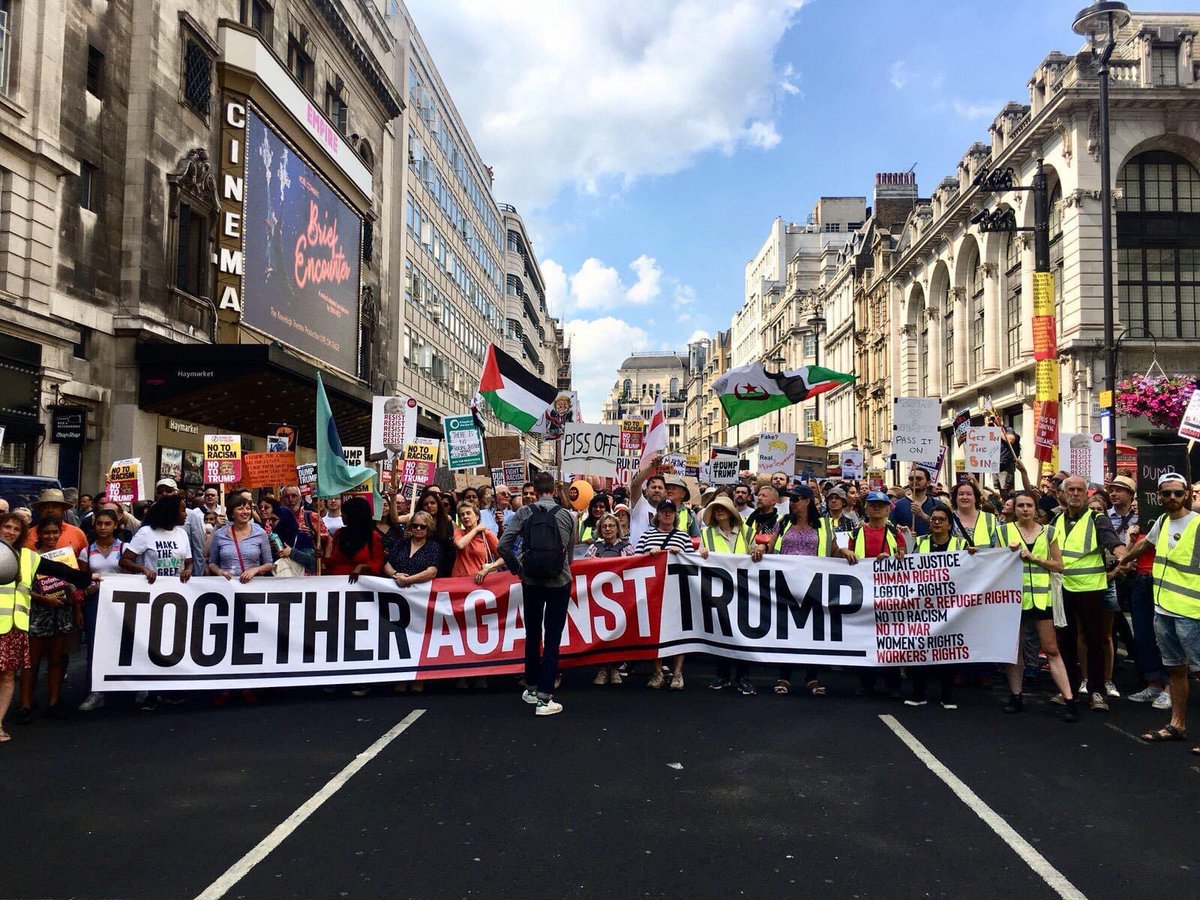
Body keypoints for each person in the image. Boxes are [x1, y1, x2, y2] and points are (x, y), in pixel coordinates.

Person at [1117, 473, 1200, 753]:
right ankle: (1177, 725)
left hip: (1192, 613)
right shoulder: (1163, 522)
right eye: (1167, 494)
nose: (1172, 498)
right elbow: (1145, 545)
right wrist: (1122, 561)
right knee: (1175, 670)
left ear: (1187, 493)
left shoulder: (1198, 524)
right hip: (1163, 609)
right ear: (1158, 496)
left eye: (1178, 493)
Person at [1, 513, 90, 738]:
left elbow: (60, 571)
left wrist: (89, 579)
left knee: (9, 676)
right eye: (6, 527)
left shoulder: (28, 557)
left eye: (16, 529)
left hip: (14, 626)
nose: (10, 532)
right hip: (15, 624)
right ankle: (19, 709)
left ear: (22, 534)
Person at [498, 471, 576, 717]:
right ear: (554, 490)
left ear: (536, 490)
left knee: (532, 633)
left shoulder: (524, 512)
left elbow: (502, 545)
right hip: (559, 581)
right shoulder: (567, 516)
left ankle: (531, 688)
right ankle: (545, 697)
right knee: (553, 637)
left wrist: (518, 569)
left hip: (531, 581)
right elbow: (570, 554)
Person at [995, 491, 1078, 721]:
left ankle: (1069, 699)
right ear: (1014, 509)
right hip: (1014, 599)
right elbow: (993, 563)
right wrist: (1006, 553)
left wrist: (1034, 558)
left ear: (1036, 508)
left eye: (1028, 505)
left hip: (1042, 599)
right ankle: (1016, 695)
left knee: (1051, 649)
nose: (1024, 509)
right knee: (1014, 651)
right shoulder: (1003, 532)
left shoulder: (1049, 532)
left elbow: (1059, 566)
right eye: (1020, 505)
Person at [1055, 475, 1126, 712]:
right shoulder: (1056, 520)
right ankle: (1069, 690)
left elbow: (1111, 540)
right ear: (1063, 494)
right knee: (1065, 641)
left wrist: (1122, 554)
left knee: (1095, 642)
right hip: (1063, 588)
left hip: (1090, 588)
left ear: (1087, 494)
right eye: (1071, 489)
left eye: (1079, 490)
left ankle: (1097, 692)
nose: (1075, 493)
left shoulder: (1097, 518)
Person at [906, 506, 976, 710]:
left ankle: (947, 695)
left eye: (941, 519)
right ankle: (918, 693)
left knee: (948, 651)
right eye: (934, 519)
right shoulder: (920, 542)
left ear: (949, 523)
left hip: (951, 606)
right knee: (919, 650)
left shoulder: (961, 544)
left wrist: (973, 555)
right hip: (923, 606)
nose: (936, 522)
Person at [764, 486, 827, 698]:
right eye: (790, 499)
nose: (792, 503)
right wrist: (760, 550)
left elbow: (833, 549)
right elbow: (771, 546)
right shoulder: (783, 523)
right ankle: (785, 676)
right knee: (787, 630)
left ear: (808, 501)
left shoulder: (823, 525)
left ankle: (812, 677)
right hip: (786, 585)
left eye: (797, 499)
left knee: (811, 632)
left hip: (813, 586)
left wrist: (844, 551)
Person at [19, 518, 85, 720]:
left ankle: (54, 701)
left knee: (57, 659)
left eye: (55, 532)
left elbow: (73, 585)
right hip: (37, 614)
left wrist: (77, 608)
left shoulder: (64, 556)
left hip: (61, 612)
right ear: (38, 535)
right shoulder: (29, 557)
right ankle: (25, 705)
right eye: (46, 532)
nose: (51, 536)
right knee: (31, 661)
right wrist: (43, 599)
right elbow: (22, 588)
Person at [846, 491, 905, 698]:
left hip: (888, 593)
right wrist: (846, 552)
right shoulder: (856, 533)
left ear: (888, 509)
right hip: (863, 593)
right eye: (873, 505)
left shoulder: (895, 533)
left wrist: (893, 556)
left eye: (881, 505)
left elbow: (904, 557)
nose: (877, 508)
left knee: (889, 640)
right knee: (866, 638)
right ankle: (866, 682)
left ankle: (893, 684)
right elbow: (845, 555)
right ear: (866, 508)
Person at [635, 499, 693, 690]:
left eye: (671, 511)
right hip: (653, 591)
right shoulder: (646, 536)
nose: (667, 514)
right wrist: (648, 555)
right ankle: (658, 671)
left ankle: (677, 673)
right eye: (664, 511)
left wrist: (680, 555)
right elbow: (634, 561)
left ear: (675, 515)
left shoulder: (683, 537)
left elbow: (692, 563)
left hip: (676, 591)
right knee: (655, 632)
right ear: (657, 514)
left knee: (678, 631)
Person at [77, 508, 124, 712]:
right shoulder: (86, 552)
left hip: (121, 604)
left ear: (116, 526)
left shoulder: (125, 549)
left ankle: (127, 688)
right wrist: (89, 590)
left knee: (123, 644)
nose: (103, 528)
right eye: (99, 524)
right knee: (95, 647)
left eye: (107, 524)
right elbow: (81, 580)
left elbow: (133, 577)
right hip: (95, 603)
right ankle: (96, 691)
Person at [586, 513, 634, 686]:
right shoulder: (593, 548)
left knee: (618, 633)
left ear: (617, 528)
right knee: (600, 634)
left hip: (620, 597)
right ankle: (601, 669)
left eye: (611, 526)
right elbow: (585, 569)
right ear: (600, 529)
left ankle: (614, 668)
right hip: (598, 597)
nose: (608, 529)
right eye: (604, 526)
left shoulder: (627, 547)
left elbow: (633, 568)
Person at [207, 494, 274, 583]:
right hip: (228, 585)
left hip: (253, 585)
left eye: (248, 508)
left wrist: (255, 570)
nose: (245, 512)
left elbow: (269, 564)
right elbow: (212, 563)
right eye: (240, 509)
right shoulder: (220, 534)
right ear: (232, 513)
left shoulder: (259, 532)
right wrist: (220, 571)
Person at [324, 496, 386, 580]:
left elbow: (378, 563)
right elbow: (335, 561)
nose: (342, 515)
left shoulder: (372, 536)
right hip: (338, 584)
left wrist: (361, 567)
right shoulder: (338, 534)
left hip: (362, 586)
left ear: (354, 515)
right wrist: (322, 558)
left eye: (345, 513)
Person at [25, 489, 89, 555]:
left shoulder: (77, 534)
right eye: (46, 507)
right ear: (40, 510)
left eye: (55, 507)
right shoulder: (29, 535)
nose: (50, 510)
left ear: (63, 509)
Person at [452, 501, 503, 581]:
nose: (465, 517)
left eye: (468, 513)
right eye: (462, 515)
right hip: (459, 581)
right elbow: (460, 545)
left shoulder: (487, 534)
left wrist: (489, 568)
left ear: (477, 516)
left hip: (478, 581)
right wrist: (476, 529)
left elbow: (504, 557)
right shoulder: (459, 532)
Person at [890, 468, 936, 539]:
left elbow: (944, 526)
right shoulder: (898, 505)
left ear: (928, 482)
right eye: (911, 479)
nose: (914, 481)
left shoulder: (936, 504)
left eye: (919, 479)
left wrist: (923, 515)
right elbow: (890, 526)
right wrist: (900, 529)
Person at [628, 464, 668, 545]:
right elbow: (635, 485)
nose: (657, 490)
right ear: (646, 491)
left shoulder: (668, 512)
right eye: (653, 487)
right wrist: (652, 466)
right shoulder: (640, 505)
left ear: (665, 493)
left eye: (660, 488)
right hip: (638, 556)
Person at [271, 506, 317, 576]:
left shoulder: (301, 537)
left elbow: (311, 561)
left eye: (274, 520)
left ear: (285, 520)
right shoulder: (274, 539)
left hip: (300, 583)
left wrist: (291, 552)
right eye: (270, 519)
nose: (271, 523)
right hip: (278, 583)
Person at [951, 481, 998, 548]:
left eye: (969, 494)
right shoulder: (947, 518)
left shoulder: (990, 519)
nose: (964, 497)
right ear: (955, 498)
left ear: (975, 498)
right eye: (961, 494)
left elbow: (998, 548)